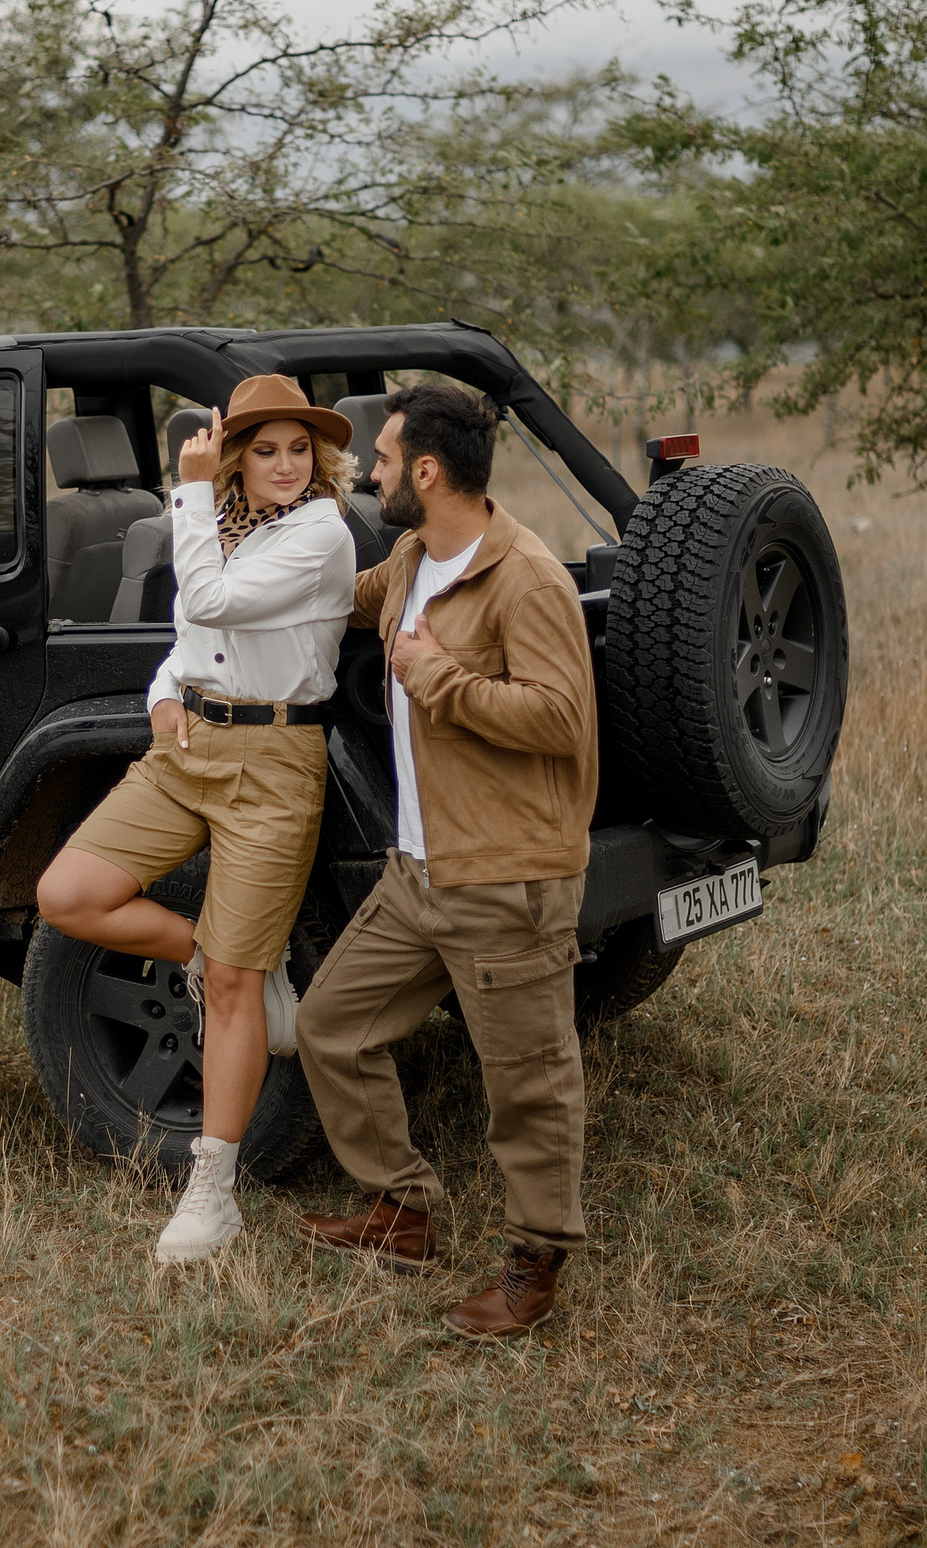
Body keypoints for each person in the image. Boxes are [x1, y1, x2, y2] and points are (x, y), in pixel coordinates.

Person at [292, 380, 601, 1339]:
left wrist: (442, 681)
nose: (371, 475)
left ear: (427, 471)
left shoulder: (528, 580)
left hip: (505, 877)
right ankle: (400, 1210)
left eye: (381, 461)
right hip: (418, 874)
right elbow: (350, 606)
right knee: (329, 1026)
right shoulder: (414, 555)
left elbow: (561, 720)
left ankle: (533, 1267)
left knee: (528, 1082)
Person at [35, 374, 359, 1265]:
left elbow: (213, 599)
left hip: (272, 764)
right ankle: (212, 953)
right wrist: (162, 692)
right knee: (67, 892)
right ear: (240, 460)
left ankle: (212, 1193)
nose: (287, 465)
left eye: (300, 449)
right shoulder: (223, 527)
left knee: (232, 991)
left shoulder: (321, 532)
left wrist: (185, 488)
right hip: (188, 751)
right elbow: (190, 634)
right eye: (265, 450)